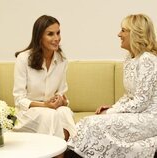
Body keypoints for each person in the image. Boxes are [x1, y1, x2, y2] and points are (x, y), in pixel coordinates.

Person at [67, 14, 157, 158]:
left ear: (135, 33)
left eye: (123, 30)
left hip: (150, 117)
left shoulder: (148, 60)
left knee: (93, 125)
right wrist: (112, 108)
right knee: (87, 122)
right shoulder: (129, 59)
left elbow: (141, 101)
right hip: (138, 113)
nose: (118, 34)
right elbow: (128, 96)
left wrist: (111, 113)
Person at [13, 15, 76, 145]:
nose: (56, 38)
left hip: (51, 110)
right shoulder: (23, 59)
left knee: (64, 112)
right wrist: (45, 105)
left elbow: (62, 92)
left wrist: (62, 100)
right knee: (51, 115)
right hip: (28, 113)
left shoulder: (62, 60)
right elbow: (19, 99)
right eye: (50, 34)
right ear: (39, 37)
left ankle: (63, 153)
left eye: (58, 33)